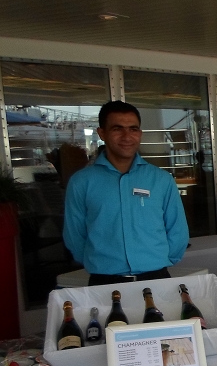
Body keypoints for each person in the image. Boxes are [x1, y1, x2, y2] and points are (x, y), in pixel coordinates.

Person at [63, 101, 190, 286]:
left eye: (133, 129)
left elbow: (177, 230)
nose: (127, 136)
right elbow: (74, 235)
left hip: (156, 279)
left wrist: (158, 261)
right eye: (117, 129)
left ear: (140, 133)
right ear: (102, 133)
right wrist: (100, 263)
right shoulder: (81, 182)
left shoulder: (161, 180)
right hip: (104, 282)